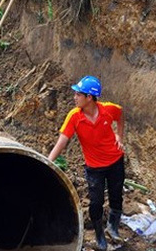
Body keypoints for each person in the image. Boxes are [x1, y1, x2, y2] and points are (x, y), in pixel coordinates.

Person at [48, 75, 125, 251]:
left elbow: (121, 115)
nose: (74, 97)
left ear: (89, 97)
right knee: (96, 202)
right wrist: (47, 162)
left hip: (115, 161)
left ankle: (112, 227)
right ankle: (99, 234)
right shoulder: (74, 116)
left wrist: (119, 136)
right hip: (94, 167)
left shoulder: (108, 110)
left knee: (116, 195)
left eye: (78, 94)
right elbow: (62, 141)